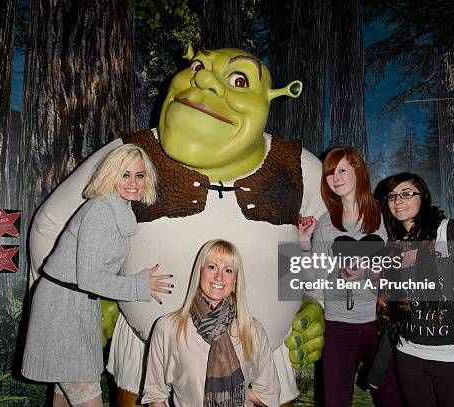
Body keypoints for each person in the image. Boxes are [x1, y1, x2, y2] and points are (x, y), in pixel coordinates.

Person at [27, 45, 326, 406]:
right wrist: (82, 300)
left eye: (239, 79)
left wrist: (316, 299)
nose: (204, 80)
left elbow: (333, 235)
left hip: (262, 367)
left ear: (268, 101)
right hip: (149, 365)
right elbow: (51, 225)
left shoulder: (294, 163)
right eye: (199, 66)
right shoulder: (132, 156)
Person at [21, 144, 174, 407]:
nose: (133, 182)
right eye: (124, 174)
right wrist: (139, 285)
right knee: (85, 392)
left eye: (139, 175)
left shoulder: (120, 209)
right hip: (63, 308)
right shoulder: (101, 211)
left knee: (66, 393)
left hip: (76, 304)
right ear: (111, 174)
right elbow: (90, 278)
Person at [368, 172, 454, 406]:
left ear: (423, 196)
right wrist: (379, 368)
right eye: (392, 196)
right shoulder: (394, 248)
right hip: (409, 358)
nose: (398, 201)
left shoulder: (451, 232)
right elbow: (394, 315)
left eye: (406, 193)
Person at [298, 147, 402, 406]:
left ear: (358, 169)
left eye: (342, 169)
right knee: (334, 400)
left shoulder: (384, 215)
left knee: (391, 397)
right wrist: (304, 244)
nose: (336, 177)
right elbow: (314, 280)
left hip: (380, 324)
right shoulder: (325, 223)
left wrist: (369, 272)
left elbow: (401, 268)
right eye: (330, 173)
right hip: (338, 327)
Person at [142, 239, 280, 407]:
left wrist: (236, 393)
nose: (219, 277)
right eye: (212, 267)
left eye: (228, 270)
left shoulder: (251, 330)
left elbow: (269, 395)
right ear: (200, 271)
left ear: (235, 279)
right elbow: (156, 395)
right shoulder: (167, 328)